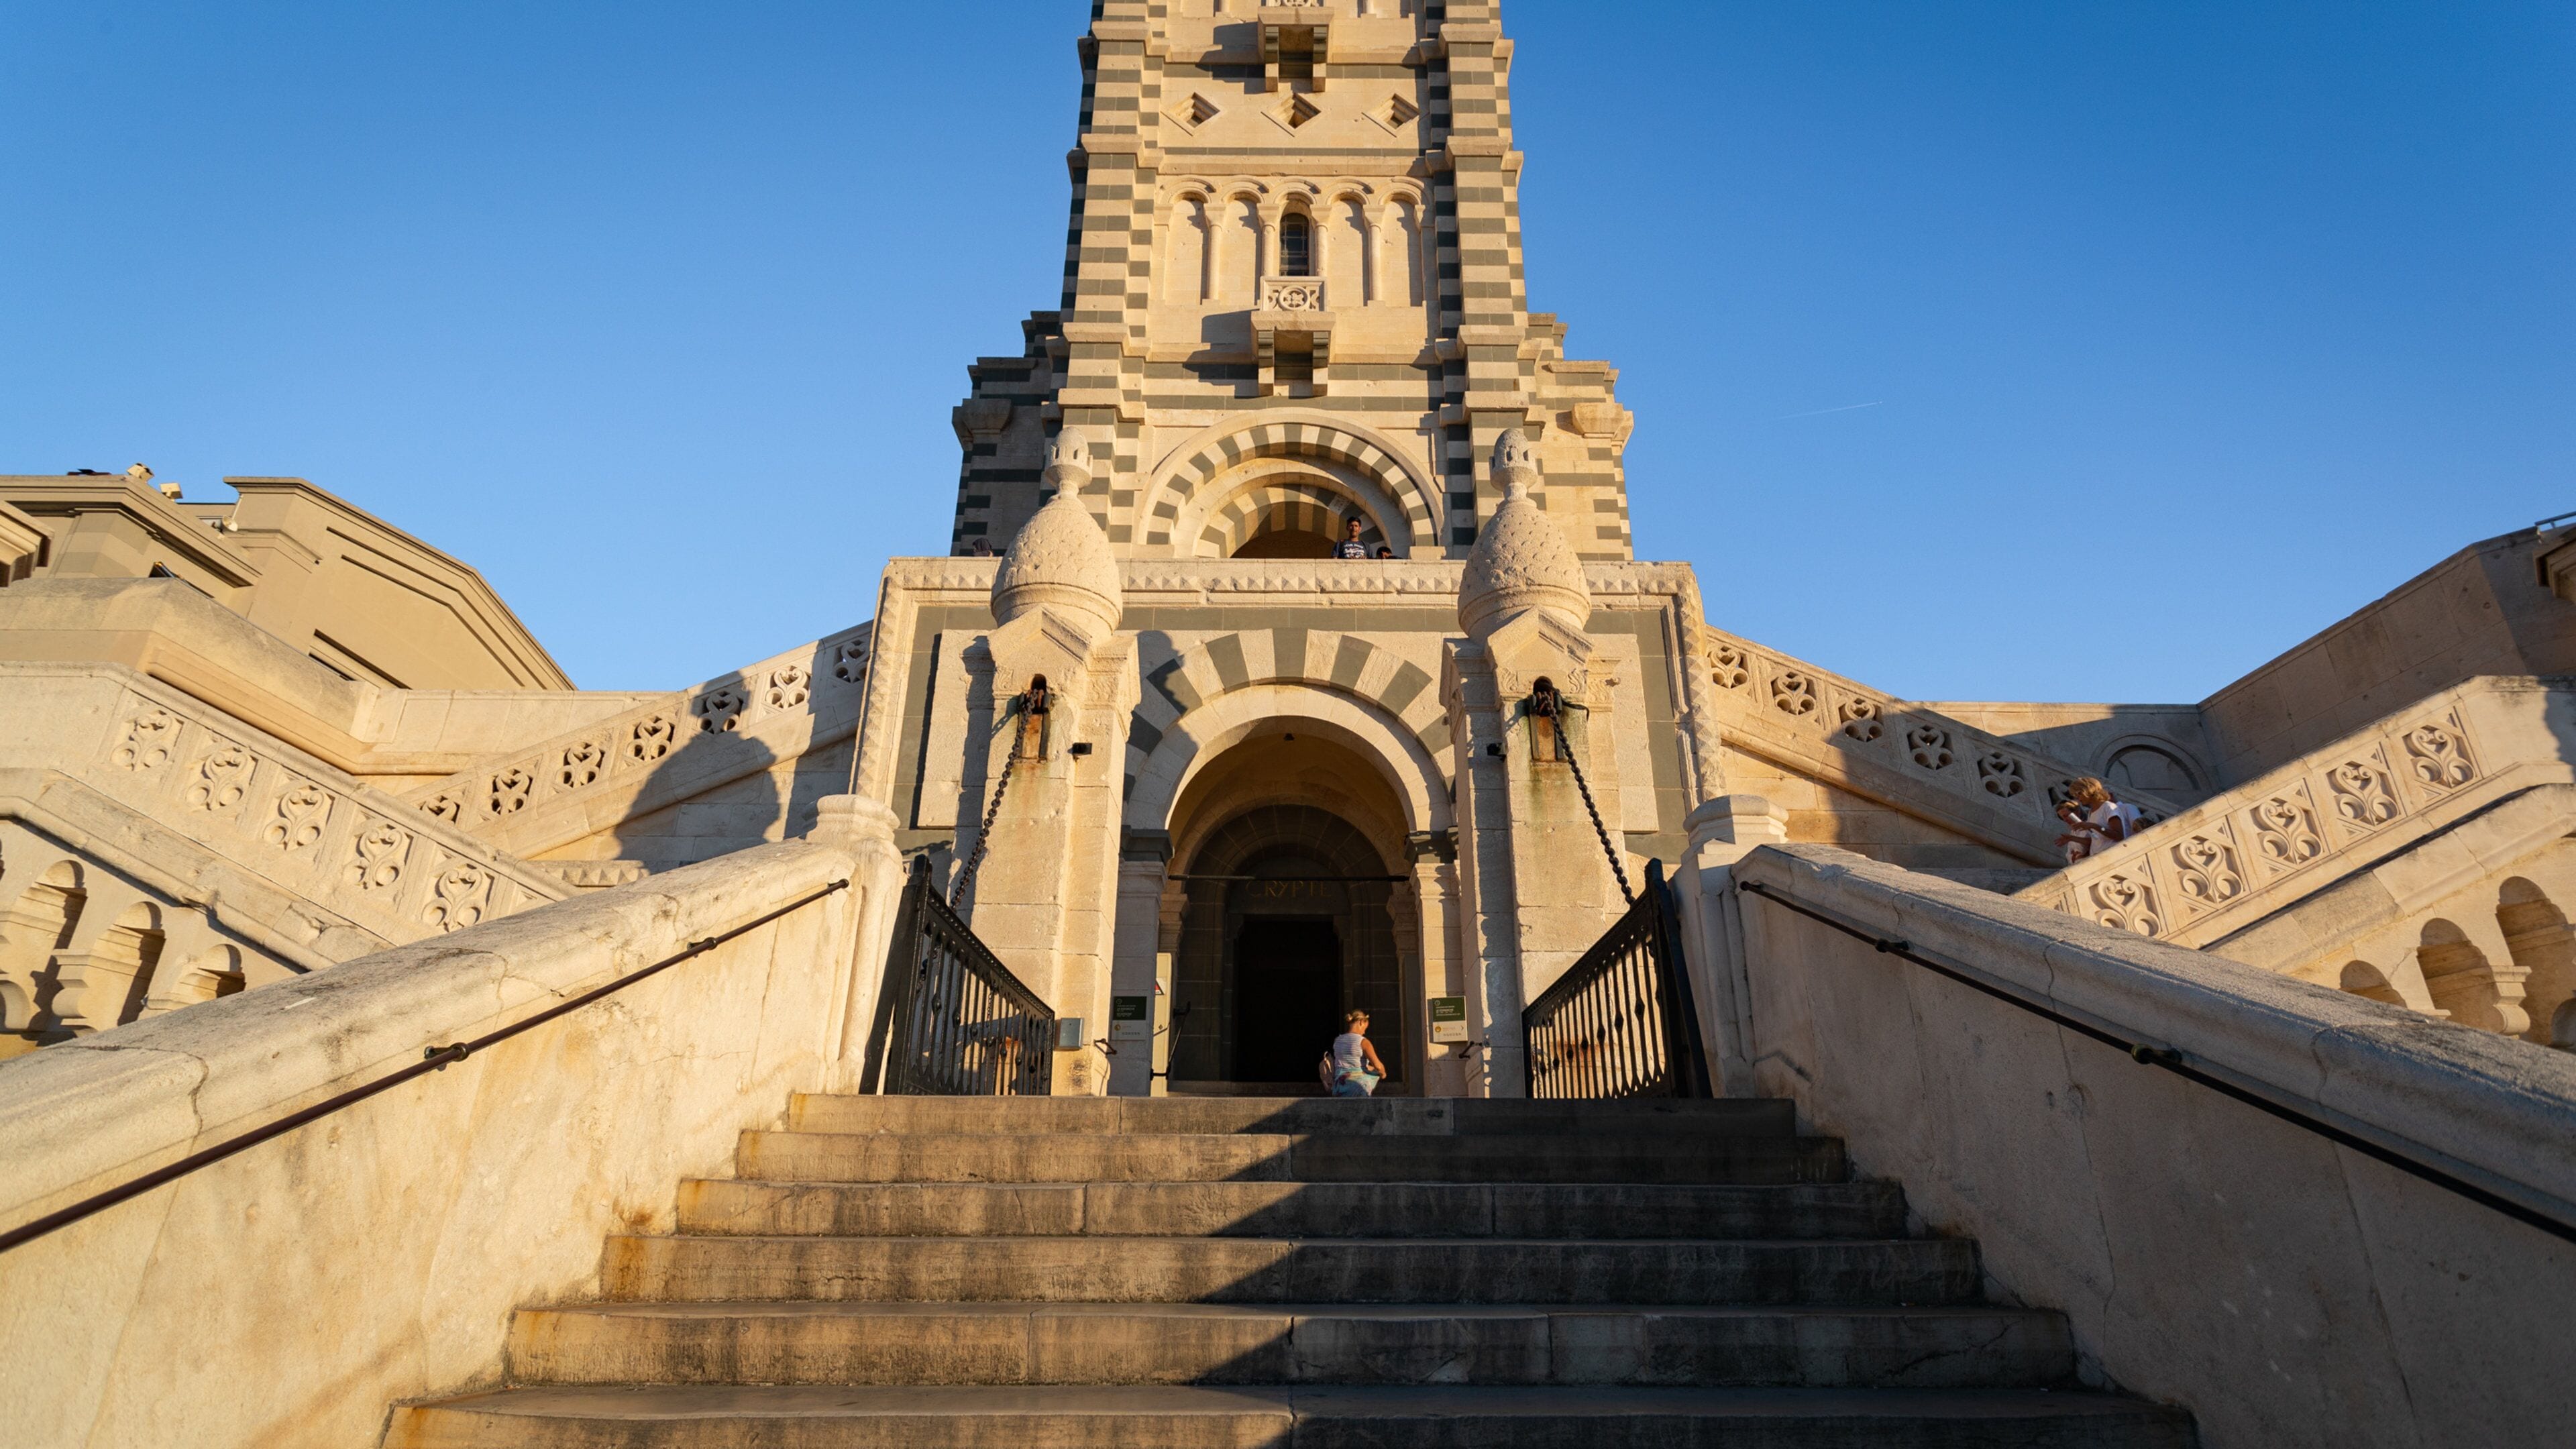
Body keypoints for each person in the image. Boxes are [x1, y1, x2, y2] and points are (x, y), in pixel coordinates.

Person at [2055, 776, 2141, 863]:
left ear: (2088, 791)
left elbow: (2119, 835)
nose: (2078, 799)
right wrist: (2071, 838)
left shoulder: (2108, 807)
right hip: (2099, 859)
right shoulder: (2091, 812)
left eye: (2079, 794)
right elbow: (2096, 839)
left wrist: (2094, 826)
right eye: (2076, 796)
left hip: (2112, 858)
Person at [1321, 1010, 1387, 1097]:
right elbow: (1378, 1066)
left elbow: (1349, 1064)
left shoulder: (1337, 1041)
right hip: (1357, 1087)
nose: (1364, 1032)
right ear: (1361, 1022)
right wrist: (1383, 1074)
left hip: (1339, 1086)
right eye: (1365, 1028)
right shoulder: (1363, 1042)